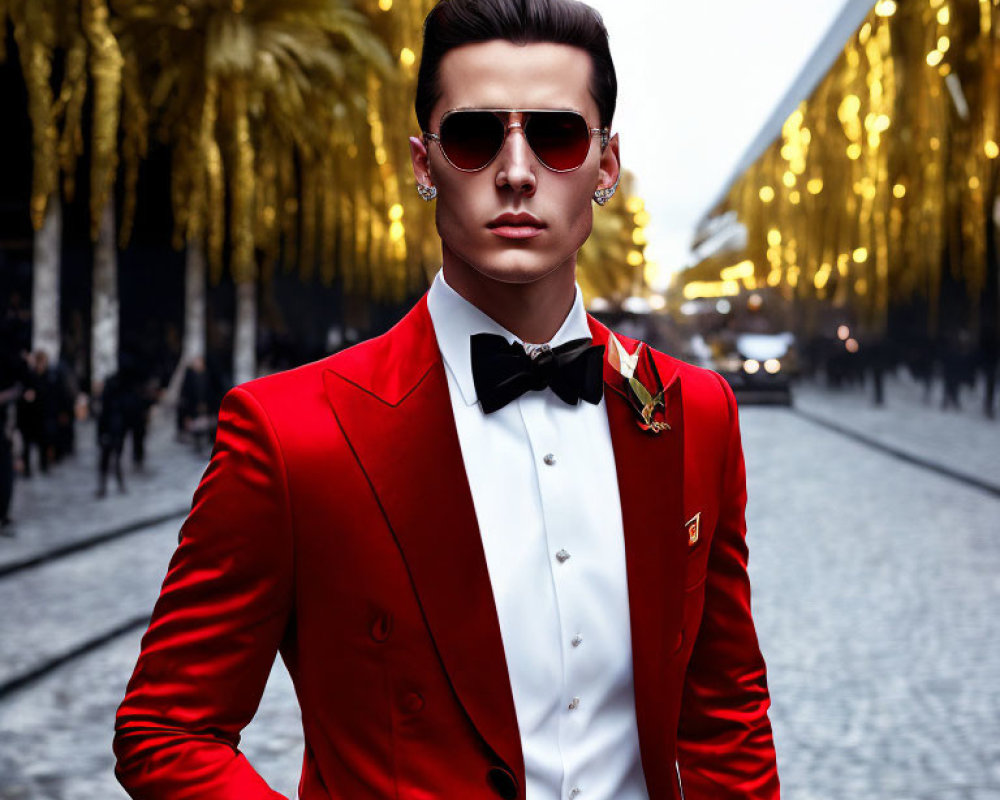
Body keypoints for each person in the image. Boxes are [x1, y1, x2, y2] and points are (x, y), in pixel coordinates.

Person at [113, 2, 779, 798]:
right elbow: (167, 726)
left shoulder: (695, 413)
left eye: (557, 135)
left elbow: (726, 714)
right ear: (425, 164)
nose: (518, 170)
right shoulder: (293, 433)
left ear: (606, 167)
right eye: (474, 136)